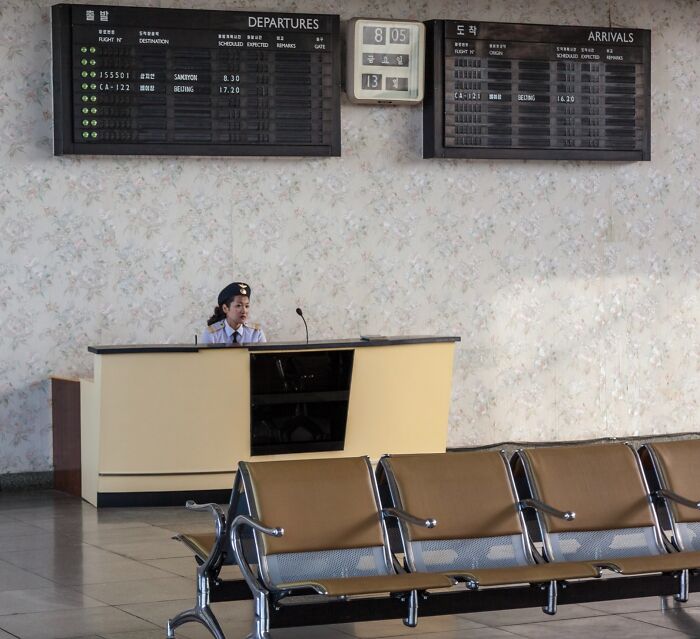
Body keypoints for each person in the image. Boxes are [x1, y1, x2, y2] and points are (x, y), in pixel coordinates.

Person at [200, 281, 266, 344]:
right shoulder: (212, 334)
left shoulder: (256, 333)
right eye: (238, 306)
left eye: (247, 306)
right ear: (225, 308)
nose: (244, 311)